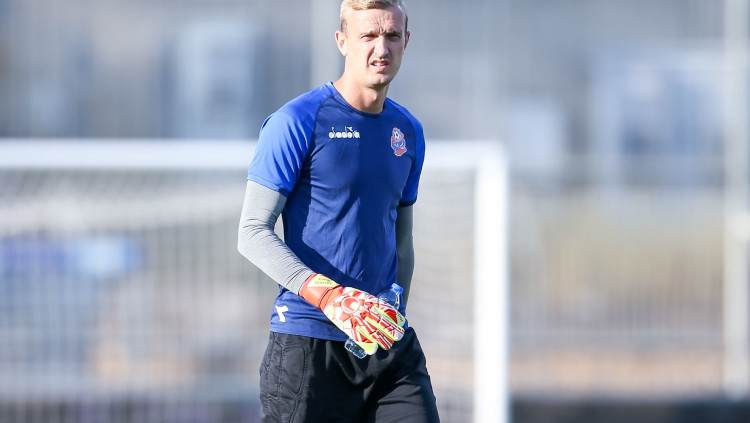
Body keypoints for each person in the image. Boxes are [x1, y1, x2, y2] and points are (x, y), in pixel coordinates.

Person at [238, 0, 439, 421]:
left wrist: (393, 313)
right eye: (368, 36)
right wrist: (329, 296)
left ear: (406, 40)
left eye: (392, 35)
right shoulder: (297, 121)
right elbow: (253, 232)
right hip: (309, 347)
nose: (381, 48)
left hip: (386, 346)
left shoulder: (408, 131)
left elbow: (402, 241)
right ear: (342, 41)